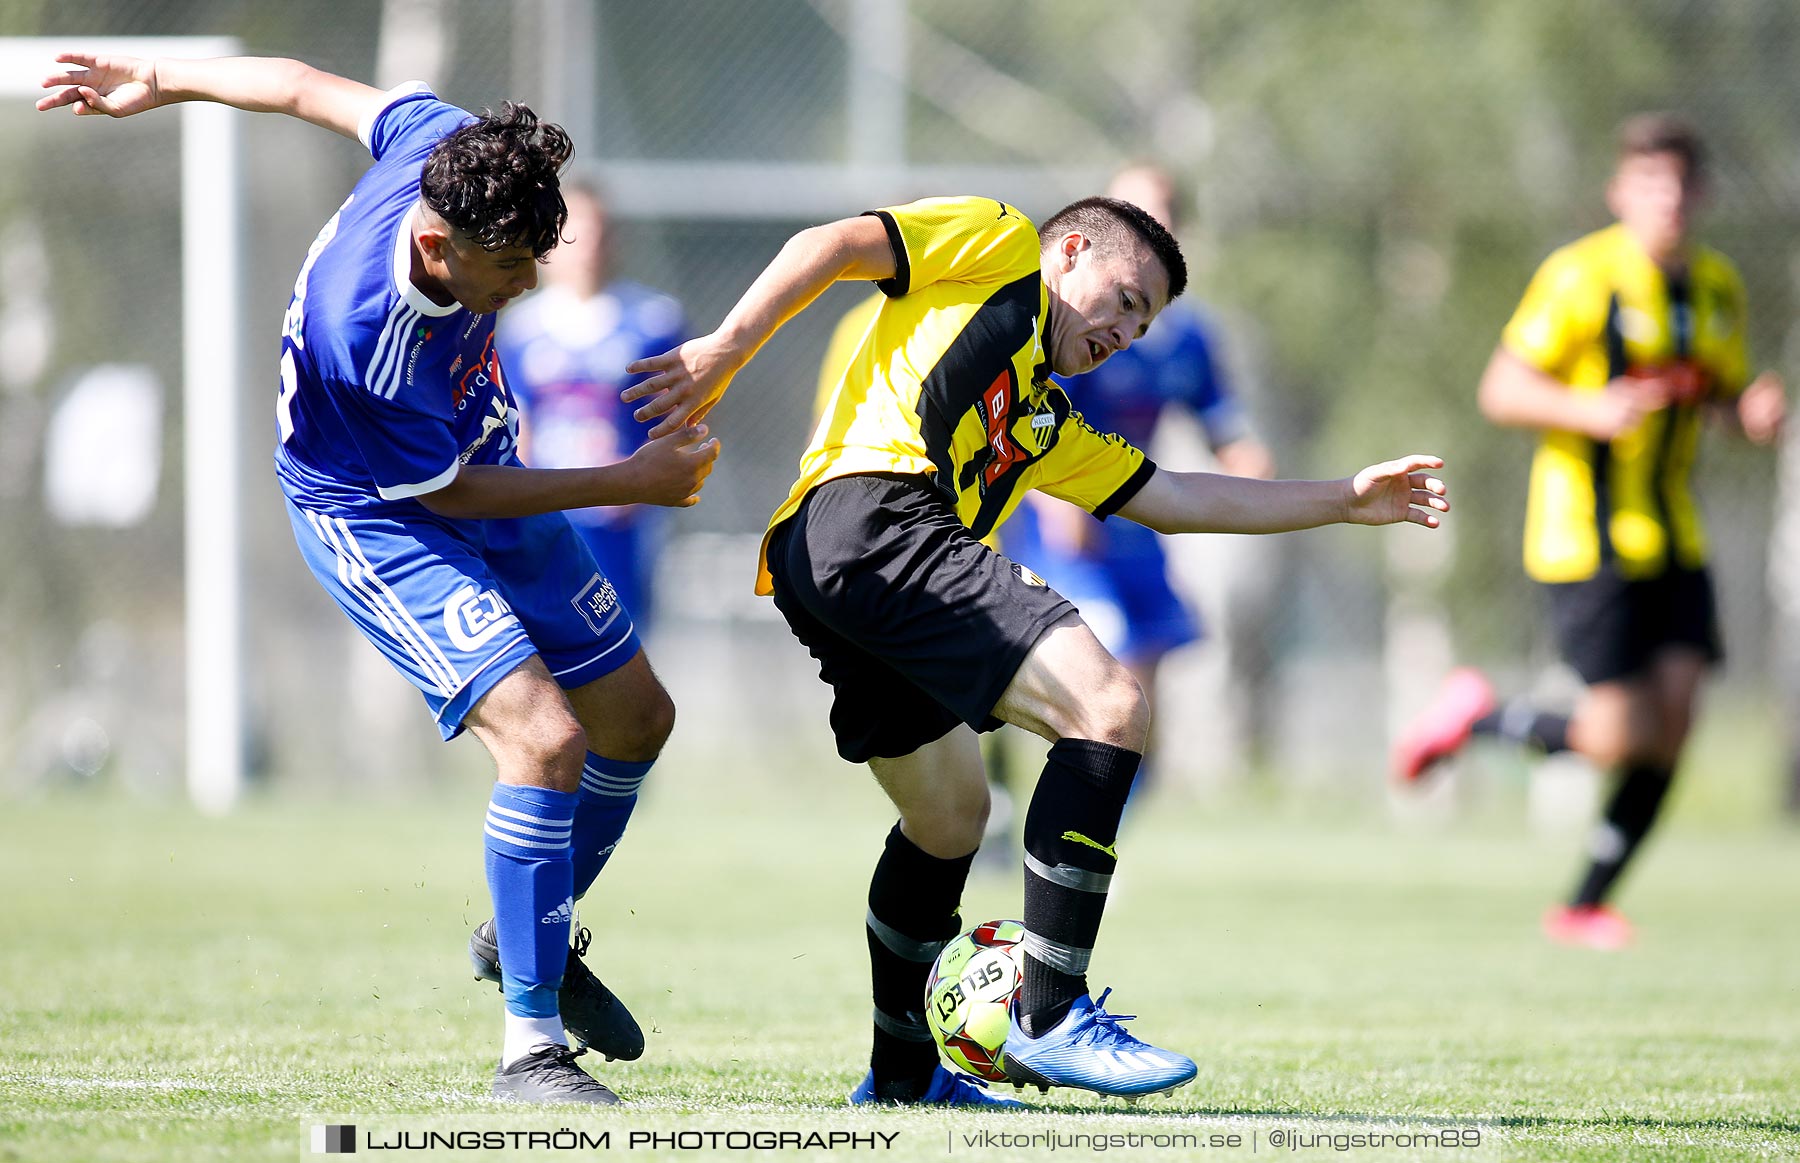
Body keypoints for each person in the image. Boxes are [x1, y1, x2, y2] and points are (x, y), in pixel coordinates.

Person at [624, 194, 1449, 1104]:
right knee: (1112, 705)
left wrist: (1345, 497)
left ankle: (901, 1078)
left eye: (1147, 321)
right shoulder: (1002, 244)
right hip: (875, 516)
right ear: (1070, 250)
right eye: (1127, 297)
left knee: (950, 819)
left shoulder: (1041, 419)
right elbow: (836, 242)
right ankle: (1052, 1013)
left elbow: (1176, 494)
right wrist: (726, 349)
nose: (1128, 331)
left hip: (831, 567)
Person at [39, 51, 720, 1103]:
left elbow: (306, 87)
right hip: (377, 511)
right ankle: (529, 1051)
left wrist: (166, 78)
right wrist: (627, 475)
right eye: (511, 268)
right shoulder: (365, 334)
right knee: (544, 739)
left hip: (476, 459)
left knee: (636, 719)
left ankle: (520, 932)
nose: (529, 285)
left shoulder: (445, 153)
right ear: (439, 247)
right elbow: (445, 498)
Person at [1391, 114, 1785, 951]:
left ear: (1702, 195)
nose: (1667, 200)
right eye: (1649, 184)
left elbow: (1715, 391)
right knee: (1616, 736)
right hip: (1585, 536)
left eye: (1680, 185)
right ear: (1620, 192)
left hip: (1675, 533)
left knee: (1675, 723)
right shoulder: (1581, 278)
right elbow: (1502, 389)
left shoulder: (1715, 287)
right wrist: (1587, 408)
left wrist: (1746, 411)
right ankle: (1479, 717)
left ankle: (1585, 903)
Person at [1007, 165, 1274, 787]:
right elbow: (1032, 414)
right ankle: (1056, 829)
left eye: (1161, 216)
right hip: (1067, 522)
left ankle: (1105, 836)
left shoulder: (1184, 337)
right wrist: (1056, 506)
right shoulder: (1074, 315)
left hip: (1136, 519)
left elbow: (1222, 421)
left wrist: (1252, 468)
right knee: (1105, 681)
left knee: (1139, 703)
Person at [497, 176, 687, 634]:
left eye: (599, 232)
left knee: (624, 636)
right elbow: (513, 423)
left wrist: (638, 485)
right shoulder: (520, 327)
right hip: (546, 508)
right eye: (575, 235)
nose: (588, 247)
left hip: (621, 513)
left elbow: (683, 417)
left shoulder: (655, 320)